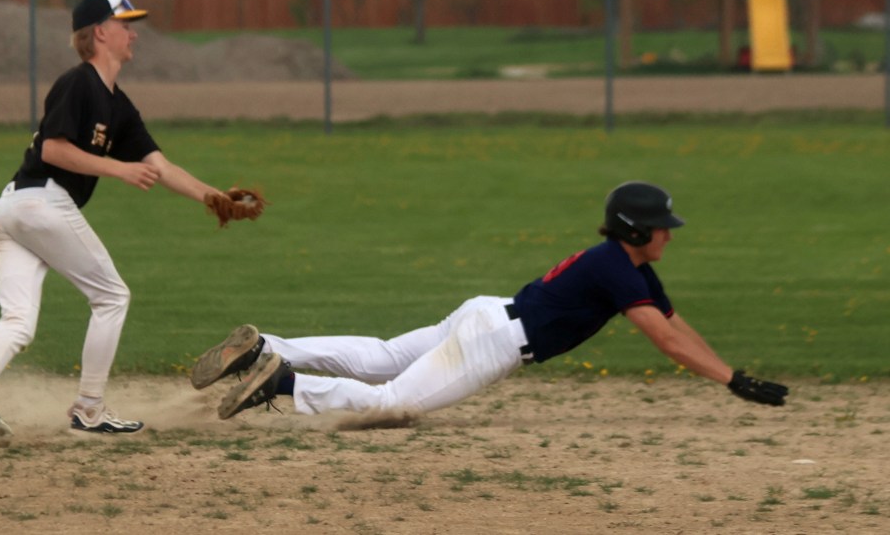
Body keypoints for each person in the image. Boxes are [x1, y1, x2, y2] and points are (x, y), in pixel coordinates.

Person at [190, 181, 788, 420]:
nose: (669, 233)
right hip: (497, 341)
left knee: (380, 355)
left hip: (487, 312)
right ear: (635, 230)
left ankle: (266, 347)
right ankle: (282, 383)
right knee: (393, 403)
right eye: (661, 226)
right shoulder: (616, 267)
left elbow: (676, 326)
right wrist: (731, 382)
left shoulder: (628, 266)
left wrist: (732, 374)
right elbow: (663, 340)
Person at [0, 0, 234, 444]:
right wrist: (119, 168)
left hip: (14, 211)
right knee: (112, 296)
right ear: (100, 32)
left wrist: (214, 197)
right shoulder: (78, 83)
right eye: (124, 24)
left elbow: (160, 166)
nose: (132, 33)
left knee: (19, 319)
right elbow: (54, 149)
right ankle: (90, 408)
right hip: (38, 203)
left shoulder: (118, 105)